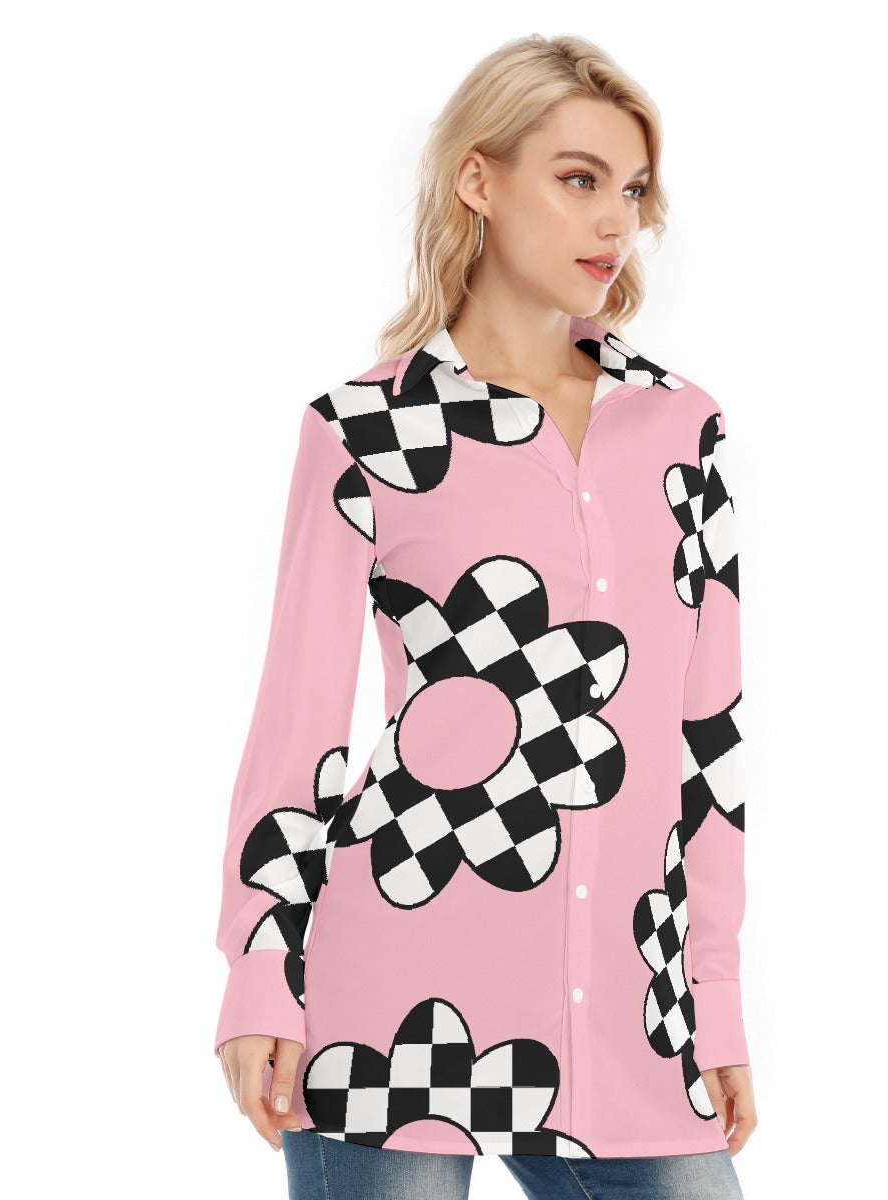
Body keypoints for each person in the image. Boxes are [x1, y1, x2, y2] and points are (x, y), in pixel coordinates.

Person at [213, 32, 759, 1200]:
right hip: (390, 1004)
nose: (614, 220)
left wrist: (713, 993)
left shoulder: (682, 430)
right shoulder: (367, 433)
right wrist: (260, 971)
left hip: (629, 1009)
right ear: (479, 179)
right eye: (578, 179)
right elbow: (298, 732)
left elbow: (707, 742)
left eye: (632, 189)